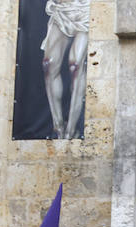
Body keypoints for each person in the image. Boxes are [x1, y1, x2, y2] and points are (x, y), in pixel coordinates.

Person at [41, 0, 90, 139]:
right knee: (48, 64)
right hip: (62, 9)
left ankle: (72, 129)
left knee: (75, 65)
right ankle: (58, 126)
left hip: (85, 9)